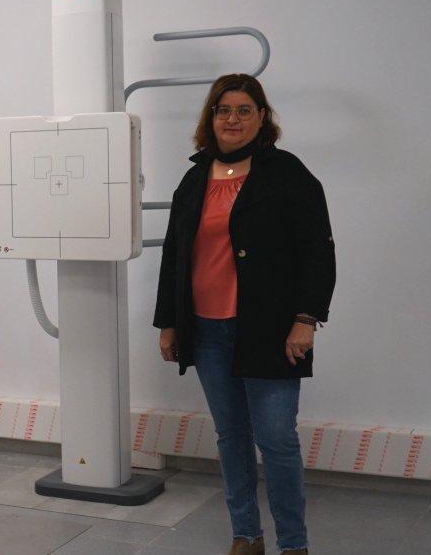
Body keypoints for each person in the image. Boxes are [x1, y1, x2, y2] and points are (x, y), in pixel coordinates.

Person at [154, 74, 335, 555]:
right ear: (210, 118)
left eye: (243, 110)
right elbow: (175, 255)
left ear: (261, 118)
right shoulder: (195, 178)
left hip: (271, 331)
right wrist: (169, 322)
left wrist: (306, 319)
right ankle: (246, 536)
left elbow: (318, 251)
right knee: (232, 437)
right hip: (207, 330)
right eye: (223, 110)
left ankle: (293, 544)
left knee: (276, 440)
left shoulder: (286, 173)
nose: (232, 119)